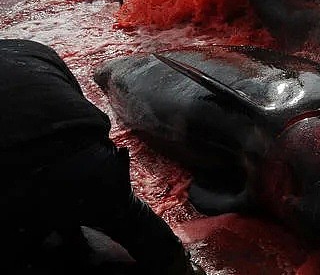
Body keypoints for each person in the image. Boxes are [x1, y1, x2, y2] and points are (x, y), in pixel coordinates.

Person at [0, 39, 199, 275]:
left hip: (15, 177)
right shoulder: (29, 49)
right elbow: (76, 105)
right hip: (88, 159)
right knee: (136, 225)